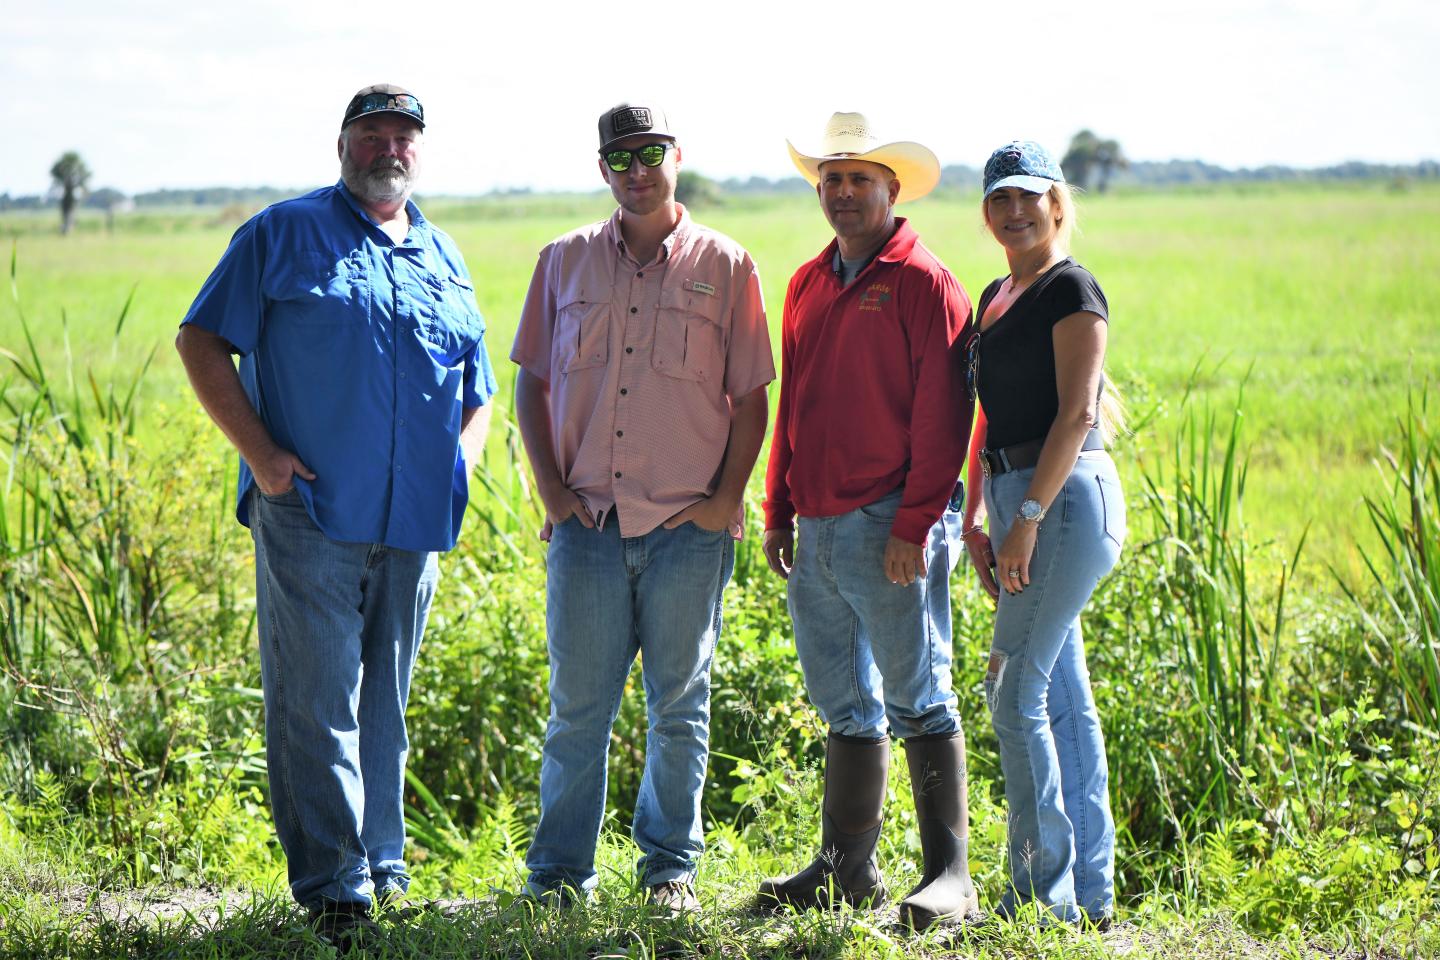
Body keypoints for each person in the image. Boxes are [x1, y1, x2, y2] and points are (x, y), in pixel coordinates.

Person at [175, 85, 497, 942]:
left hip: (412, 524)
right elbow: (201, 340)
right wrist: (262, 457)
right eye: (369, 134)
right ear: (342, 144)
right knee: (318, 701)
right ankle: (332, 889)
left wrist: (459, 464)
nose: (386, 148)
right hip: (310, 512)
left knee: (385, 702)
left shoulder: (441, 252)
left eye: (402, 135)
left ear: (419, 152)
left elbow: (479, 390)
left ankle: (383, 869)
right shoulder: (282, 233)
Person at [510, 102, 774, 913]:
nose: (638, 170)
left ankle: (668, 872)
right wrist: (552, 492)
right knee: (577, 714)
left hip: (684, 530)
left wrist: (725, 500)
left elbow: (753, 396)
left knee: (679, 709)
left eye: (651, 153)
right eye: (621, 158)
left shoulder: (727, 265)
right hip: (586, 524)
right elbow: (531, 383)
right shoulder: (562, 262)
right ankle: (558, 879)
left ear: (676, 156)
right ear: (603, 170)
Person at [757, 112, 978, 930]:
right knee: (844, 701)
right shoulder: (808, 283)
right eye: (832, 178)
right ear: (819, 189)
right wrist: (779, 509)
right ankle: (846, 870)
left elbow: (943, 417)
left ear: (892, 189)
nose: (844, 192)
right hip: (815, 528)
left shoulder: (925, 281)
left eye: (860, 179)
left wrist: (914, 526)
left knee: (920, 693)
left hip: (892, 523)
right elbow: (795, 410)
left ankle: (948, 877)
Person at [960, 140, 1126, 926]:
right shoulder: (996, 293)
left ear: (1058, 203)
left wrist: (1023, 521)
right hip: (1011, 496)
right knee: (1059, 695)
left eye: (1030, 196)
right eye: (1001, 198)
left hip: (1059, 502)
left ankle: (1039, 899)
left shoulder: (1071, 288)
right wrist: (973, 515)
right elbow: (986, 414)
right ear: (987, 209)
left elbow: (1078, 414)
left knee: (1012, 691)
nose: (1015, 211)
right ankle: (1090, 896)